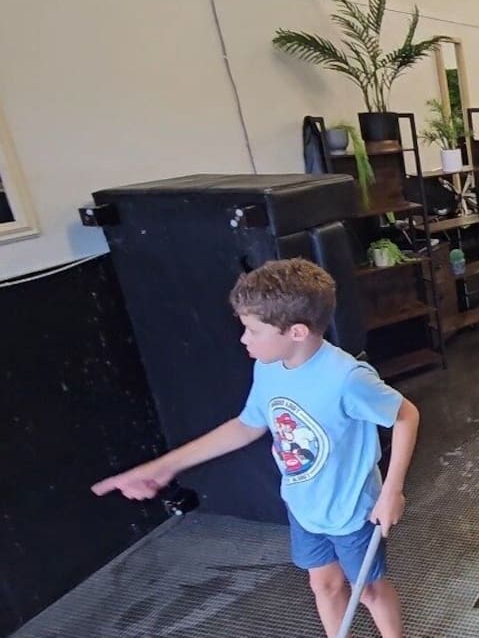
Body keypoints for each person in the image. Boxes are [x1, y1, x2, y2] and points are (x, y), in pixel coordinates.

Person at [91, 259, 419, 638]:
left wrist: (391, 492)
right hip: (303, 505)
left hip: (351, 510)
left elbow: (405, 415)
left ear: (296, 331)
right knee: (324, 585)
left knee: (370, 591)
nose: (243, 340)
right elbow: (247, 426)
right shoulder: (269, 366)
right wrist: (163, 467)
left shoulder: (347, 378)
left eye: (252, 330)